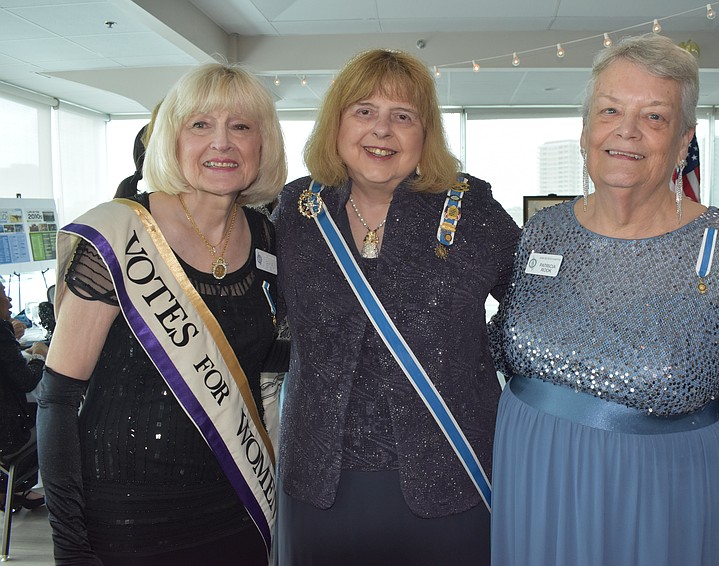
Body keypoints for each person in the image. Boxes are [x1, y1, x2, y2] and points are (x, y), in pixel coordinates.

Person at [489, 34, 719, 566]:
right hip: (532, 486)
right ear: (585, 131)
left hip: (662, 504)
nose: (626, 131)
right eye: (610, 110)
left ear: (683, 143)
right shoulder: (543, 233)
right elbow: (499, 344)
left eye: (654, 117)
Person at [273, 48, 520, 565]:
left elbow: (535, 312)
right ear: (336, 124)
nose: (381, 131)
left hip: (453, 477)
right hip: (319, 480)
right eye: (364, 111)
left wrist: (473, 356)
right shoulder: (296, 211)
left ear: (424, 134)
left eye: (402, 117)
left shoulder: (472, 211)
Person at [36, 62, 287, 565]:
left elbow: (262, 372)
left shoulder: (266, 239)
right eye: (201, 125)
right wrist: (69, 544)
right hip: (124, 515)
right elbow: (57, 401)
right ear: (172, 140)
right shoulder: (118, 233)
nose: (222, 143)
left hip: (236, 504)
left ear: (263, 145)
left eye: (241, 126)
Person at [0, 279, 48, 512]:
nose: (9, 301)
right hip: (7, 437)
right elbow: (27, 381)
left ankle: (11, 488)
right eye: (3, 293)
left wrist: (18, 349)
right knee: (65, 416)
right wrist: (38, 355)